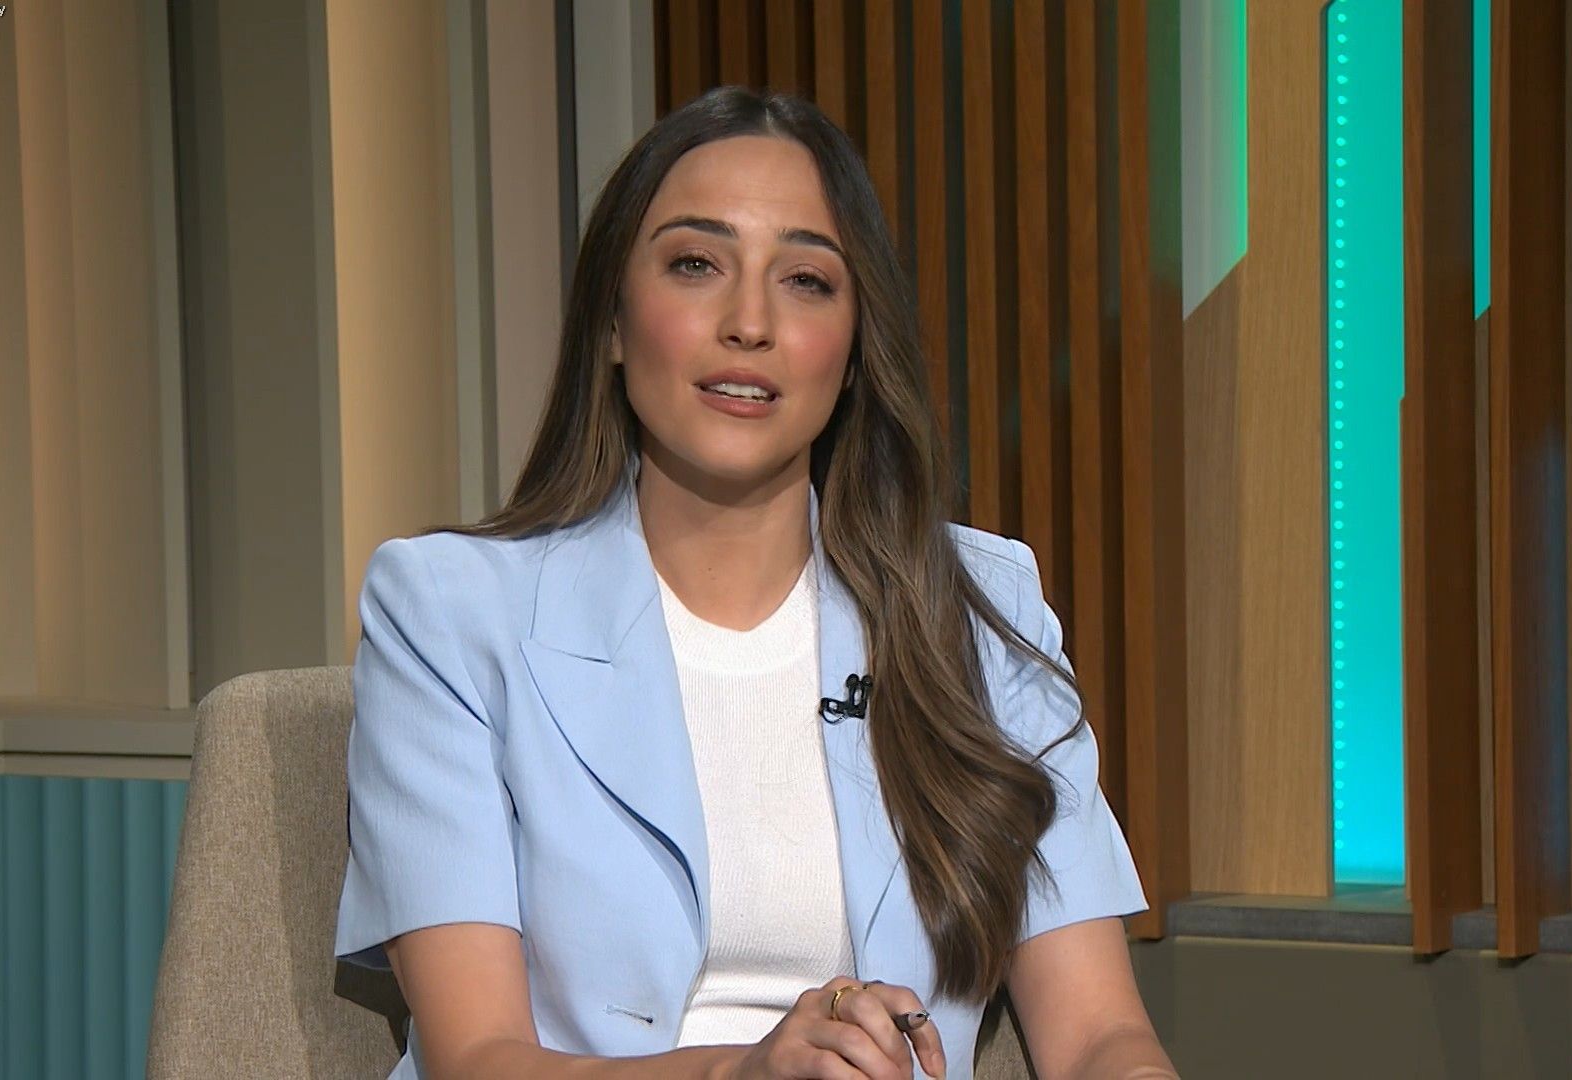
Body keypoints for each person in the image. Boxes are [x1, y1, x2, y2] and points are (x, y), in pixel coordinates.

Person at [333, 85, 1174, 1080]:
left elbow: (1098, 1035)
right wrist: (746, 1074)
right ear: (613, 321)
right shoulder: (449, 613)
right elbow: (478, 1060)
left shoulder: (976, 613)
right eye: (696, 264)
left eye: (807, 280)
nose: (750, 323)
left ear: (854, 353)